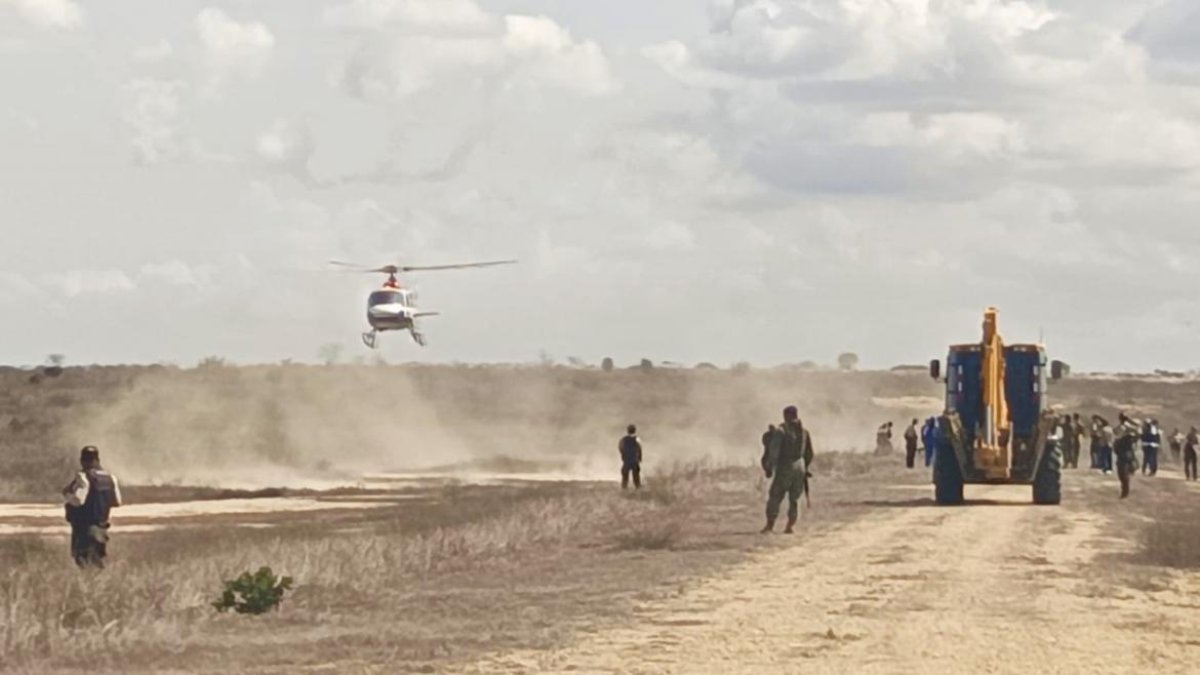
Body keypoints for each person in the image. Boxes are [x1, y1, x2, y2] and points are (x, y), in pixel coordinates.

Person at [62, 446, 122, 568]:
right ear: (98, 459)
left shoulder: (83, 477)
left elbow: (79, 501)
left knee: (83, 562)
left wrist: (68, 495)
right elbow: (117, 502)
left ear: (82, 460)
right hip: (101, 527)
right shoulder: (111, 478)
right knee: (98, 561)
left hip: (84, 529)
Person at [761, 406, 814, 534]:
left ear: (786, 415)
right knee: (794, 499)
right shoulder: (804, 432)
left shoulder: (781, 431)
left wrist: (769, 467)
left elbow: (774, 453)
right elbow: (809, 453)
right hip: (800, 467)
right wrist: (805, 467)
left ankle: (769, 526)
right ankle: (790, 526)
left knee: (775, 495)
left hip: (785, 466)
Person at [1114, 414, 1140, 498]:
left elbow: (1138, 431)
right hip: (1121, 453)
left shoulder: (1129, 434)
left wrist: (1129, 423)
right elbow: (1115, 432)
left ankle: (1125, 491)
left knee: (1124, 473)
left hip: (1126, 454)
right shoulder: (1120, 428)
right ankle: (1124, 490)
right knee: (1121, 474)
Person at [618, 425, 642, 490]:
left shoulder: (623, 439)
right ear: (635, 430)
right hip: (634, 460)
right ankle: (638, 488)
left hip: (627, 460)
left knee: (625, 475)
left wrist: (623, 456)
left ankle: (624, 488)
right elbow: (639, 449)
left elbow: (620, 448)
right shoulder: (637, 439)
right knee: (636, 476)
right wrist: (640, 458)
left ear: (627, 431)